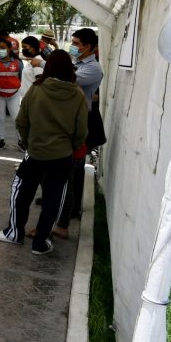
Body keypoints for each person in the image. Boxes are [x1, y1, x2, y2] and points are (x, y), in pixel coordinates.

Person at [0, 50, 88, 255]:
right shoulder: (77, 94)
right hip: (62, 156)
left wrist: (28, 143)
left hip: (34, 153)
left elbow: (22, 122)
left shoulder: (37, 89)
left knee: (21, 191)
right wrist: (70, 147)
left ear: (49, 66)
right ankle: (41, 242)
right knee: (54, 199)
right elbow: (81, 131)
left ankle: (14, 233)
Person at [52, 28, 103, 238]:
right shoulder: (78, 63)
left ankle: (69, 211)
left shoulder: (93, 69)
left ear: (88, 47)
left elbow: (64, 81)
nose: (72, 46)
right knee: (66, 168)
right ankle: (61, 203)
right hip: (68, 120)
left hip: (82, 121)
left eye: (76, 43)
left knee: (74, 169)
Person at [0, 38, 23, 150]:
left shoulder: (18, 63)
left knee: (16, 118)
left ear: (9, 49)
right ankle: (1, 140)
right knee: (0, 117)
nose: (1, 50)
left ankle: (21, 141)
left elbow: (21, 77)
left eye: (3, 48)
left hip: (14, 94)